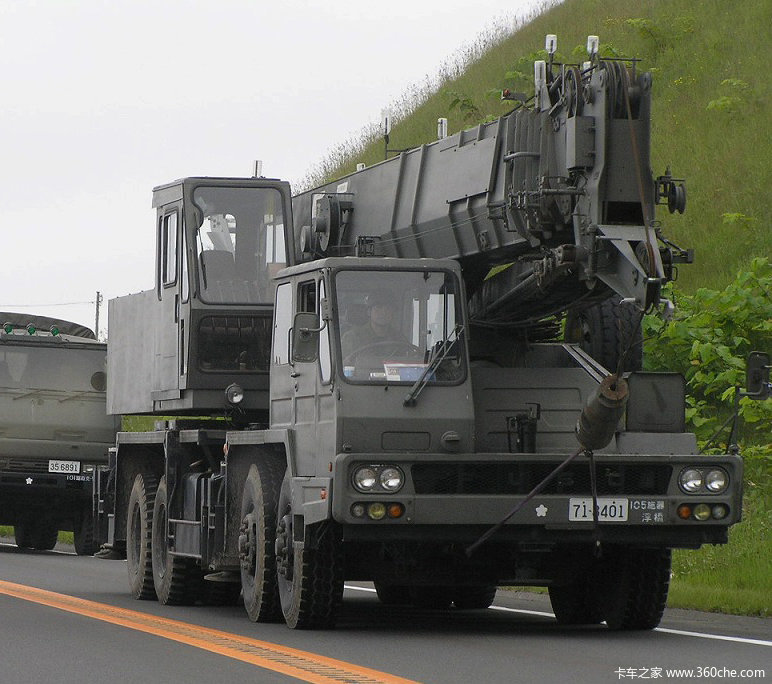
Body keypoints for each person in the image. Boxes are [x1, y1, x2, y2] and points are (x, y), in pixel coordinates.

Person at [341, 291, 406, 362]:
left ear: (393, 312)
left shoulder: (399, 339)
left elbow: (411, 359)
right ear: (369, 312)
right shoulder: (352, 337)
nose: (384, 312)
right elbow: (343, 365)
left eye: (388, 308)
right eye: (378, 307)